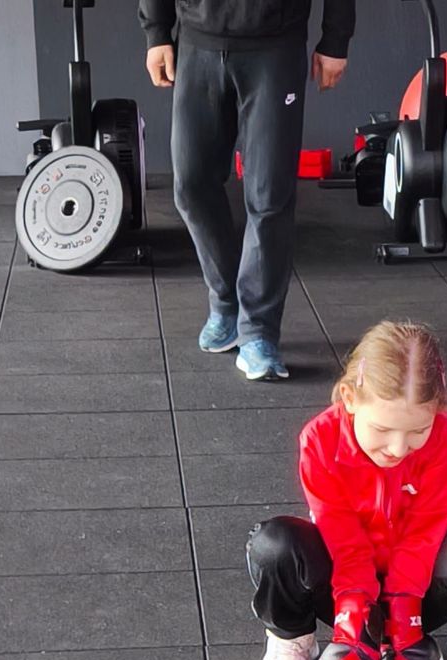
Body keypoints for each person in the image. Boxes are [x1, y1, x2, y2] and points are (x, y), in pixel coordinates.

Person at [245, 321, 447, 660]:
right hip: (344, 584)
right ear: (349, 398)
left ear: (437, 413)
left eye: (416, 431)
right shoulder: (319, 440)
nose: (397, 447)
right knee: (275, 542)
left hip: (421, 586)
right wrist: (354, 624)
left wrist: (406, 617)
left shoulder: (445, 438)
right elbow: (342, 536)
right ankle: (293, 639)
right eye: (382, 429)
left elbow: (426, 532)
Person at [139, 0, 355, 381]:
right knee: (191, 184)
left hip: (275, 45)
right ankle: (226, 300)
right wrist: (157, 30)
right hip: (197, 41)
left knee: (269, 195)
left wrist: (336, 38)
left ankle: (258, 331)